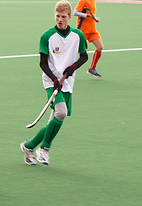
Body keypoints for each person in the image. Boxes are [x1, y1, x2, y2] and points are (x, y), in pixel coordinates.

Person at [20, 0, 88, 165]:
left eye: (63, 16)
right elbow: (43, 63)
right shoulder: (47, 36)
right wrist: (54, 79)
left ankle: (28, 147)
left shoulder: (77, 35)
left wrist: (73, 67)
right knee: (61, 112)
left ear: (69, 17)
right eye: (57, 16)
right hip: (51, 81)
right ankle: (44, 149)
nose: (59, 19)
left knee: (56, 119)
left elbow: (84, 56)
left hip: (68, 82)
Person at [74, 0, 103, 77]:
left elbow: (91, 14)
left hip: (92, 30)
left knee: (100, 47)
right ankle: (64, 68)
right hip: (82, 31)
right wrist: (87, 15)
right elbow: (75, 12)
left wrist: (95, 18)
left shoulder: (93, 1)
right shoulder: (83, 1)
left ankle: (92, 69)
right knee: (75, 52)